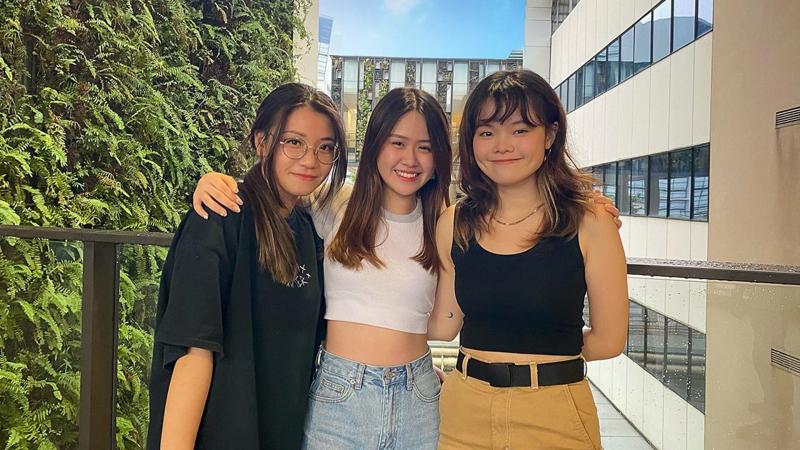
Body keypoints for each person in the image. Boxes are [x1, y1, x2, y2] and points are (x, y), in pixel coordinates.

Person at [192, 85, 622, 450]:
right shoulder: (332, 205)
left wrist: (588, 208)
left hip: (420, 393)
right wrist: (218, 181)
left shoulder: (450, 222)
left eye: (425, 147)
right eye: (397, 142)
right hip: (340, 393)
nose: (410, 159)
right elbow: (276, 193)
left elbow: (446, 322)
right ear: (375, 144)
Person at [427, 69, 629, 450]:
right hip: (464, 410)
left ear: (550, 135)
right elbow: (445, 322)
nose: (502, 145)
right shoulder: (454, 222)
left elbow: (610, 340)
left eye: (520, 130)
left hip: (554, 412)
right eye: (487, 132)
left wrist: (540, 351)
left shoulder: (591, 221)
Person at [147, 83, 347, 450]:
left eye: (325, 147)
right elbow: (193, 352)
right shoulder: (220, 216)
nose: (310, 160)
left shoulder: (310, 229)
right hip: (219, 435)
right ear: (261, 142)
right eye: (294, 142)